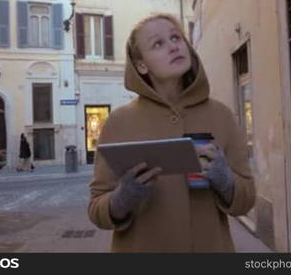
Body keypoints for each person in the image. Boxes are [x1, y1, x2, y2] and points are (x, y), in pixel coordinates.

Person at [88, 14, 256, 252]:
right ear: (141, 65)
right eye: (158, 43)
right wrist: (122, 198)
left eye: (176, 38)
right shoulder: (118, 122)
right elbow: (96, 209)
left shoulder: (222, 116)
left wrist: (226, 181)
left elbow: (247, 199)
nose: (174, 46)